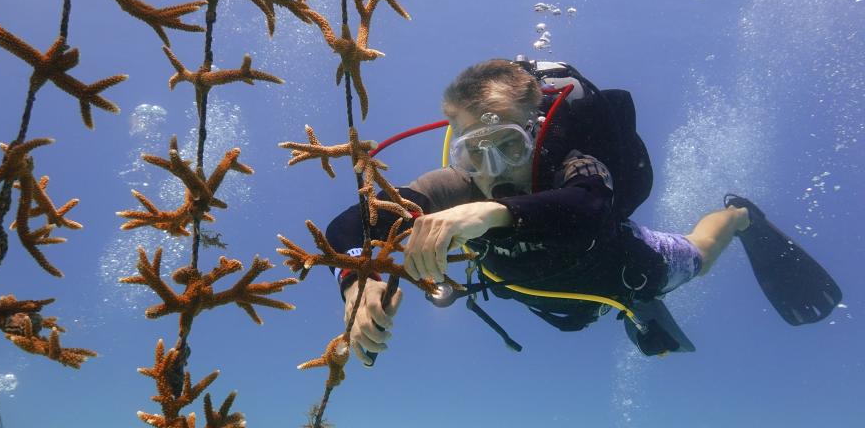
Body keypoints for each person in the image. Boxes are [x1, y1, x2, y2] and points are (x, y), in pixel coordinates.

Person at [325, 58, 843, 363]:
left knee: (702, 254)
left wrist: (485, 214)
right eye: (473, 150)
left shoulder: (578, 164)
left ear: (537, 131)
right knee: (571, 322)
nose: (492, 166)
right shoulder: (453, 185)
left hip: (630, 269)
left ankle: (738, 214)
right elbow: (353, 225)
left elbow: (589, 207)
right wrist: (357, 275)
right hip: (549, 295)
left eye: (508, 144)